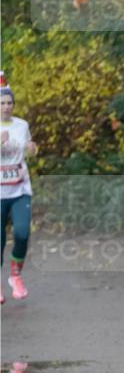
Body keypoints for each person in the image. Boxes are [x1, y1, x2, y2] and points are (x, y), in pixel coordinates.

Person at [0, 72, 37, 305]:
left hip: (20, 189)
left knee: (22, 233)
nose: (6, 107)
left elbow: (28, 148)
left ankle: (15, 277)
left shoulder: (22, 125)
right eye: (2, 103)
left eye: (9, 103)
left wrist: (33, 149)